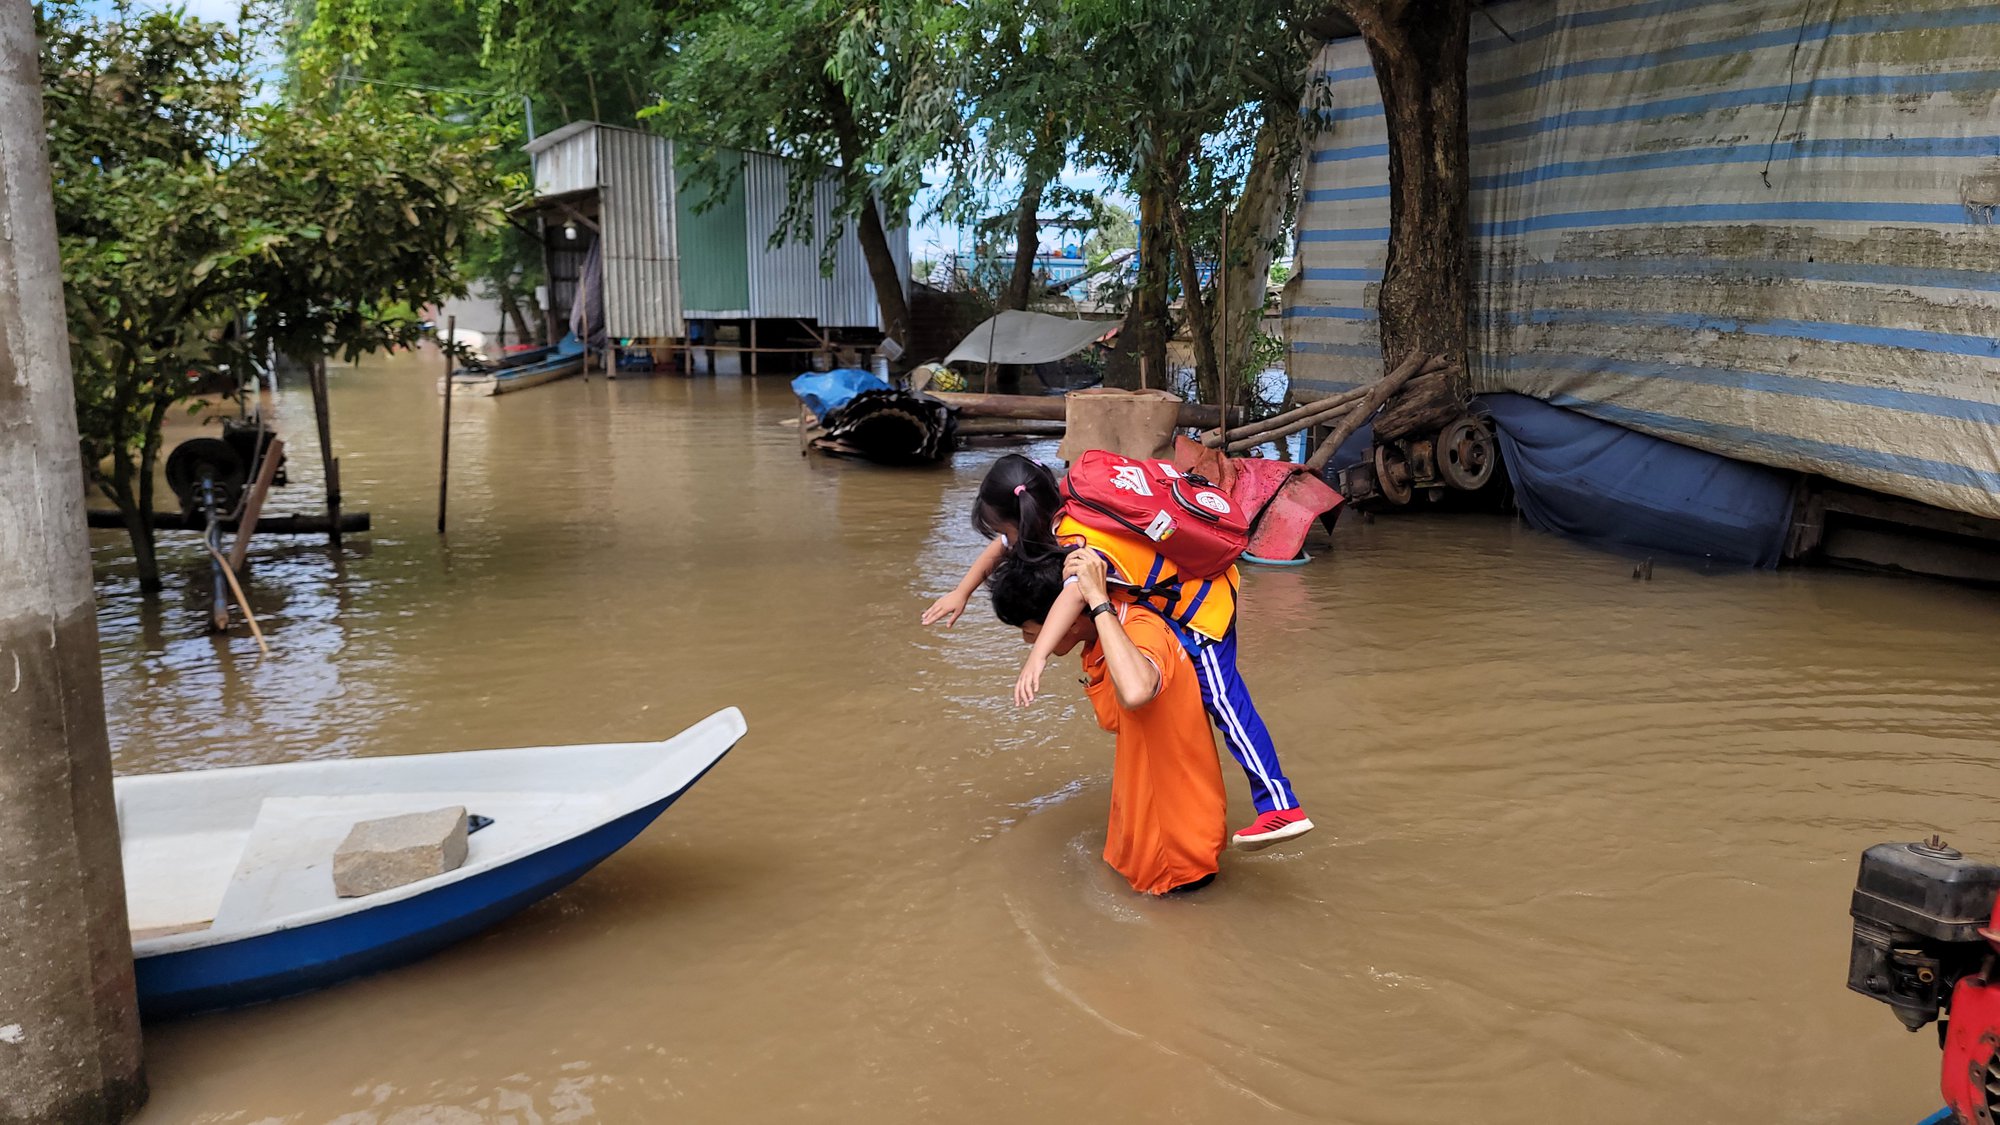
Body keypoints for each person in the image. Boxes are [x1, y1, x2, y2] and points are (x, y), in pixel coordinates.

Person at [924, 454, 1312, 850]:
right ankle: (1271, 803)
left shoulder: (1079, 542)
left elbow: (1074, 594)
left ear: (1021, 520)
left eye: (1002, 528)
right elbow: (1001, 548)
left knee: (1228, 706)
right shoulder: (1067, 501)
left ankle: (1281, 806)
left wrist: (1037, 656)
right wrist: (962, 591)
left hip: (1202, 607)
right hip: (1183, 589)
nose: (1004, 540)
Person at [989, 546, 1225, 895]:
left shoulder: (1139, 630)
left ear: (1068, 617)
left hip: (1175, 849)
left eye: (1028, 630)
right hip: (1150, 831)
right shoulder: (1105, 634)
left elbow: (1136, 691)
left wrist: (1098, 599)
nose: (1029, 641)